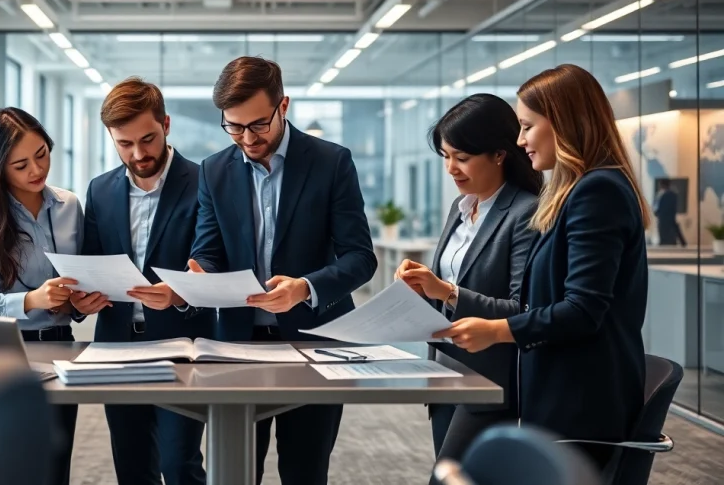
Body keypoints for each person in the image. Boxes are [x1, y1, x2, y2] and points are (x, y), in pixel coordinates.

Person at [433, 64, 650, 473]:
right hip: (558, 391)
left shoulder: (597, 191)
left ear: (564, 123)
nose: (520, 140)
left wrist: (496, 329)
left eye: (527, 126)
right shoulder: (574, 192)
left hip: (579, 399)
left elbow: (583, 310)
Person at [189, 56, 377, 485]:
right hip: (237, 344)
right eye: (233, 126)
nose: (246, 138)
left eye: (257, 125)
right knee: (235, 471)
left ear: (283, 106)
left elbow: (361, 258)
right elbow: (209, 249)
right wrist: (202, 272)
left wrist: (306, 287)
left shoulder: (331, 162)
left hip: (314, 340)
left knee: (304, 472)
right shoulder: (214, 170)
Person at [393, 94, 543, 475]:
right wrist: (422, 290)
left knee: (447, 477)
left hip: (489, 380)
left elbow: (522, 310)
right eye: (446, 156)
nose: (450, 169)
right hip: (446, 371)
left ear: (498, 154)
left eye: (461, 158)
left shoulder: (525, 213)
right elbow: (451, 292)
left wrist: (445, 290)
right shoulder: (461, 209)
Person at [77, 78, 213, 485]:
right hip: (117, 343)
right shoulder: (100, 190)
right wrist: (83, 298)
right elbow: (91, 261)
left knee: (178, 463)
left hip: (181, 342)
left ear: (167, 124)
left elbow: (209, 259)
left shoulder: (205, 181)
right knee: (132, 466)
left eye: (148, 139)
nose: (138, 154)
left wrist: (183, 294)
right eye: (124, 144)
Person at [0, 107, 84, 485]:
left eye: (41, 154)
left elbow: (77, 285)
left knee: (57, 466)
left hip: (61, 349)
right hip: (3, 355)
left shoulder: (70, 206)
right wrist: (30, 300)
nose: (36, 170)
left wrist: (79, 304)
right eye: (20, 165)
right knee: (10, 468)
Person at [653, 179, 685, 246]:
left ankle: (664, 242)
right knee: (674, 230)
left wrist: (656, 213)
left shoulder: (661, 194)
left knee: (664, 231)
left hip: (663, 217)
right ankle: (682, 242)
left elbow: (657, 207)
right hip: (669, 217)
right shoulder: (673, 194)